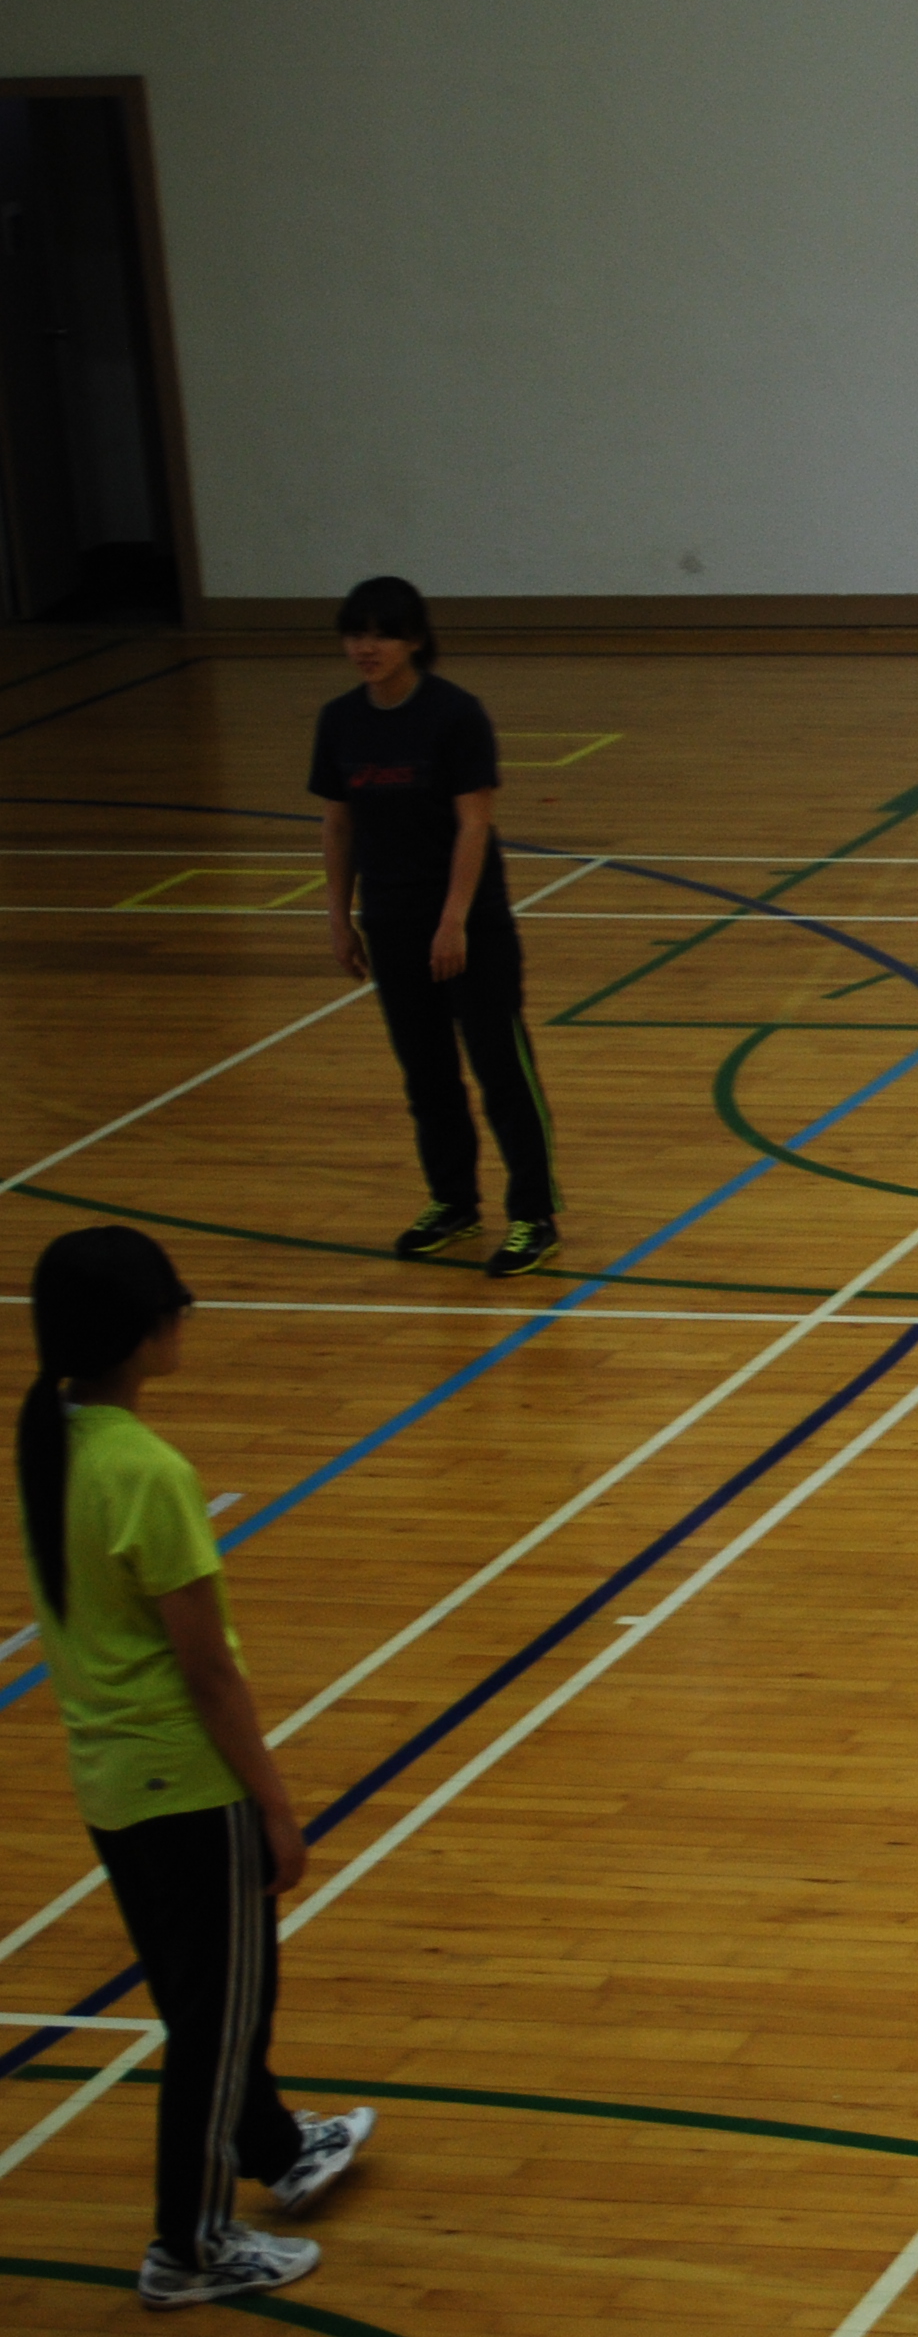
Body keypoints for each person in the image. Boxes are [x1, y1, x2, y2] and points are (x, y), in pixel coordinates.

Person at [17, 1227, 375, 2307]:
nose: (182, 1321)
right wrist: (275, 1808)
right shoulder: (150, 1473)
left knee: (197, 1997)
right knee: (223, 2020)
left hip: (110, 1782)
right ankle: (191, 2245)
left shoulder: (54, 1440)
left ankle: (280, 2149)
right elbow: (208, 1670)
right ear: (139, 1332)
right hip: (186, 1785)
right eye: (171, 1308)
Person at [310, 577, 561, 1278]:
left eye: (382, 634)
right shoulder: (339, 721)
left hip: (468, 925)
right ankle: (453, 1203)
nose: (367, 647)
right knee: (426, 1075)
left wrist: (453, 922)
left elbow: (473, 823)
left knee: (501, 1069)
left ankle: (534, 1214)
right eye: (355, 634)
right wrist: (338, 917)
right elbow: (337, 824)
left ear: (415, 640)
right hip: (389, 922)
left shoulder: (454, 715)